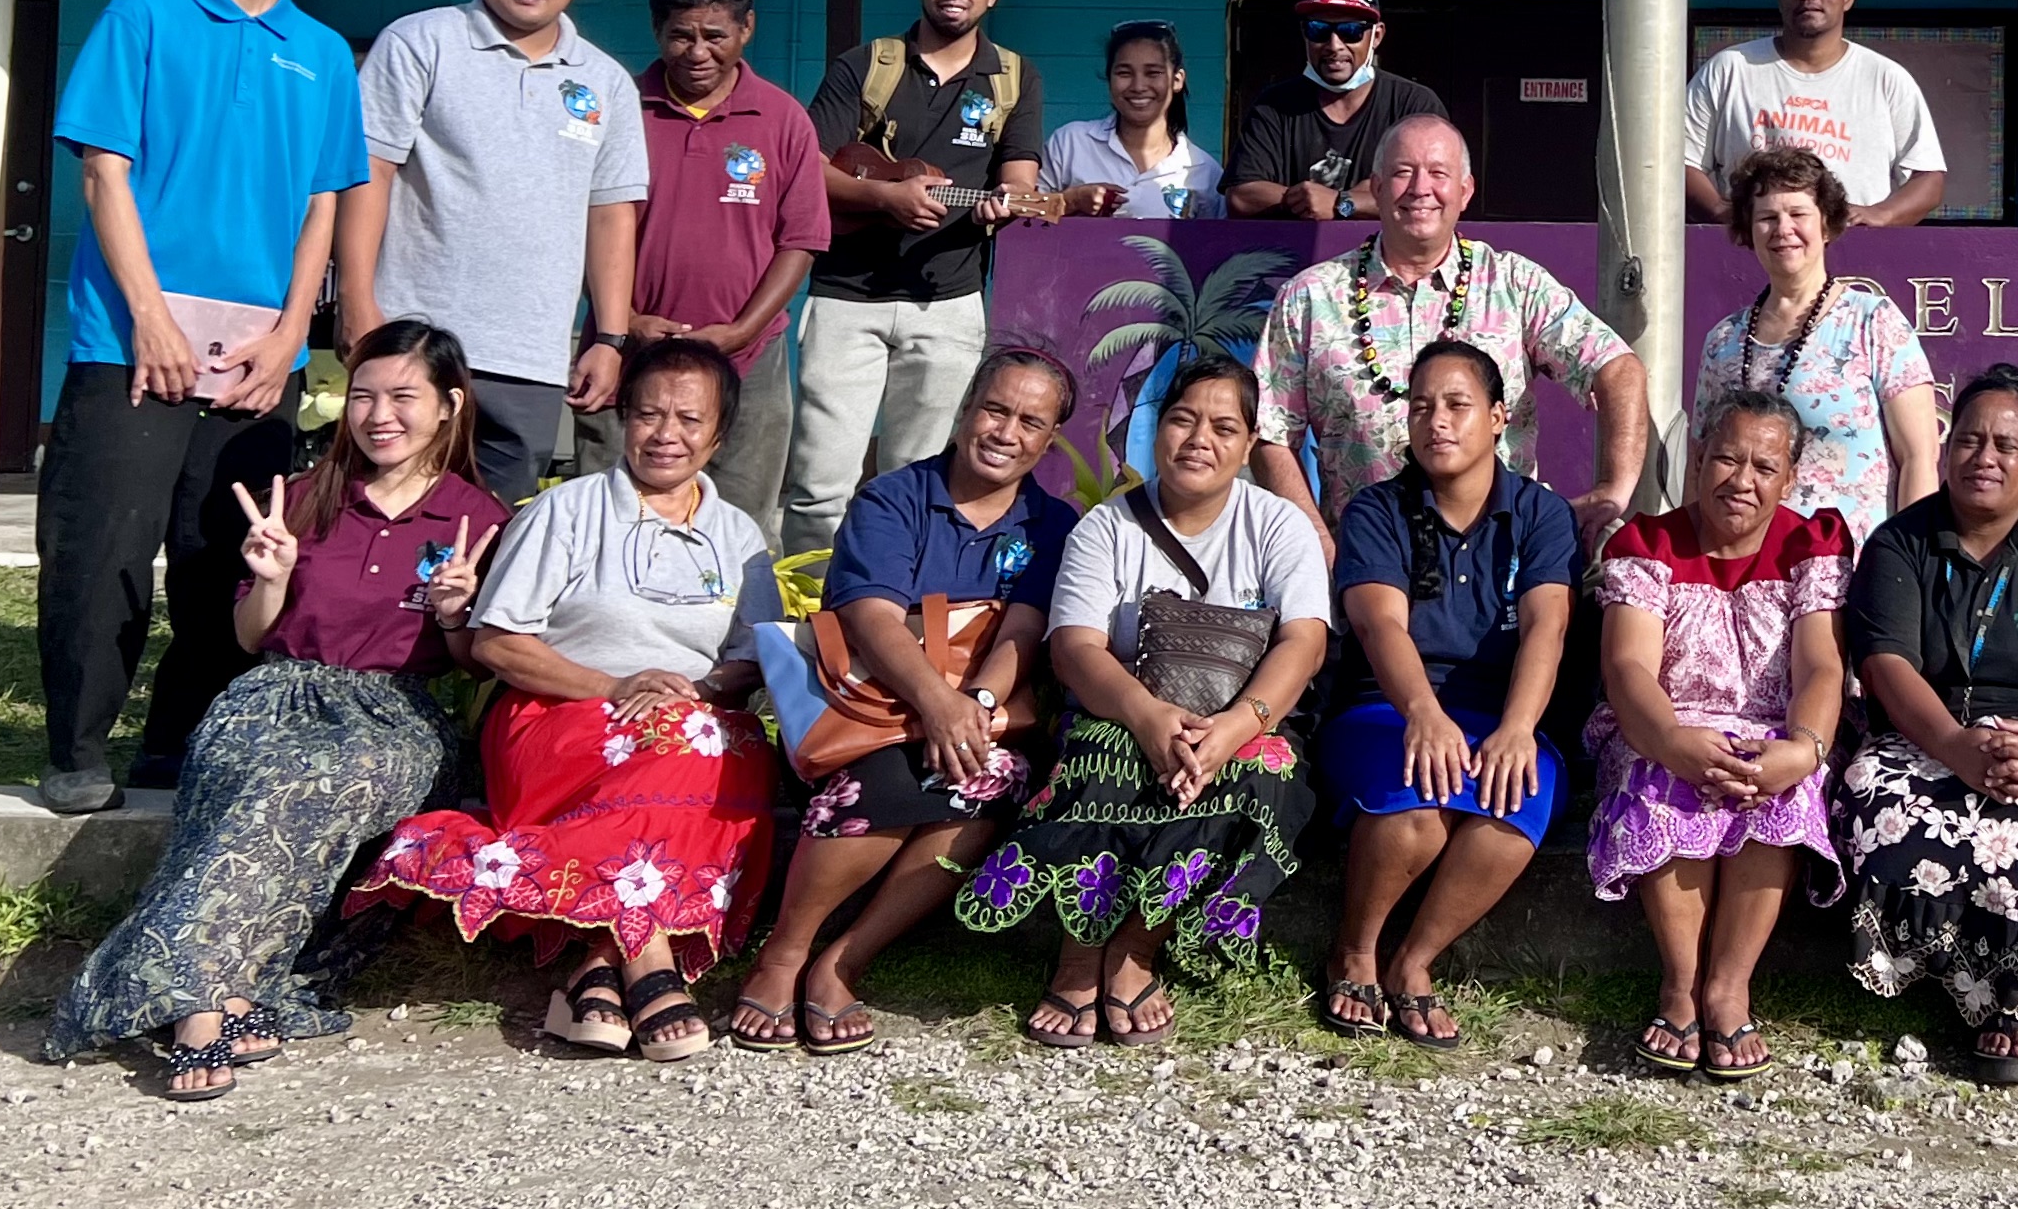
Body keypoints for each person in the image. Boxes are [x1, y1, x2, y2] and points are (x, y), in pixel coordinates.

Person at [45, 321, 502, 1098]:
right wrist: (272, 578)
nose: (378, 415)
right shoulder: (307, 494)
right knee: (263, 774)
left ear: (449, 405)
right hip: (273, 695)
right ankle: (215, 998)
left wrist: (457, 615)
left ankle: (185, 992)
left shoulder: (479, 519)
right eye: (362, 396)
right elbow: (252, 638)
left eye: (403, 396)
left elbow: (467, 666)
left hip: (392, 716)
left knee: (308, 780)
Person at [37, 0, 369, 813]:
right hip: (130, 341)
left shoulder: (322, 55)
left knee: (227, 555)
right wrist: (148, 317)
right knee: (101, 549)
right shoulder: (138, 20)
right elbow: (106, 172)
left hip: (256, 354)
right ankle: (78, 749)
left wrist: (292, 334)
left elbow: (325, 205)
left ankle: (183, 745)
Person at [353, 337, 782, 1064]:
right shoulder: (570, 511)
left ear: (719, 433)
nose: (666, 435)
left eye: (688, 419)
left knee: (722, 745)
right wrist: (619, 686)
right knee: (695, 746)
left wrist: (695, 690)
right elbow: (496, 642)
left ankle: (593, 966)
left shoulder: (736, 536)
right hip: (560, 717)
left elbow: (753, 655)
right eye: (648, 414)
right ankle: (650, 961)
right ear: (622, 418)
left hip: (685, 724)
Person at [955, 356, 1331, 1046]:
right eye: (1183, 420)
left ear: (1250, 444)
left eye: (1224, 427)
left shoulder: (1279, 525)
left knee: (1261, 775)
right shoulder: (1108, 526)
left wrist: (1232, 729)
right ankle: (1076, 955)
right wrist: (1148, 716)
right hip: (1120, 706)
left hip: (1244, 715)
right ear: (1156, 428)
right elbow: (1074, 649)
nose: (1200, 440)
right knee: (1103, 764)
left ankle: (1133, 948)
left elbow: (1304, 643)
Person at [728, 348, 1081, 1056]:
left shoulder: (1052, 523)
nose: (1006, 431)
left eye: (1030, 421)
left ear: (1049, 439)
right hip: (872, 710)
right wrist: (937, 704)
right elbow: (869, 614)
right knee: (878, 785)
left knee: (988, 782)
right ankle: (785, 954)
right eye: (995, 409)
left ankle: (843, 961)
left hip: (979, 715)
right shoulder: (894, 497)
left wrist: (974, 704)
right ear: (964, 409)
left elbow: (1024, 626)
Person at [1837, 364, 2018, 1094]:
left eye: (2006, 445)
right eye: (1969, 440)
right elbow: (1886, 665)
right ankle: (1993, 994)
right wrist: (1953, 747)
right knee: (1883, 804)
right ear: (1944, 451)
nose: (1985, 457)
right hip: (1930, 734)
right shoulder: (1899, 545)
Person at [338, 0, 646, 504]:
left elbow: (610, 213)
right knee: (383, 517)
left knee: (490, 541)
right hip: (411, 343)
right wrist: (357, 301)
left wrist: (609, 338)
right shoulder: (420, 42)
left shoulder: (606, 81)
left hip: (529, 355)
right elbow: (369, 173)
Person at [1315, 342, 1579, 1050]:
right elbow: (1378, 622)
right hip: (1386, 708)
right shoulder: (1378, 510)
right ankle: (1357, 950)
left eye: (1458, 405)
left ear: (1499, 418)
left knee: (1512, 808)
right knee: (1417, 814)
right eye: (1422, 406)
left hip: (1500, 714)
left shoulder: (1540, 514)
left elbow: (1547, 629)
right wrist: (1422, 716)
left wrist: (1520, 727)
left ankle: (1415, 960)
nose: (1437, 422)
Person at [1585, 393, 1851, 1083]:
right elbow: (1629, 666)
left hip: (1774, 727)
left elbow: (1821, 664)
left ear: (1789, 478)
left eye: (1765, 465)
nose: (1743, 479)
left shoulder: (1810, 545)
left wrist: (1801, 748)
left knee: (1785, 796)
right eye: (1727, 458)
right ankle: (1679, 984)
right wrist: (1672, 739)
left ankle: (1728, 989)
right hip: (1665, 724)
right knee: (1665, 781)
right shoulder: (1648, 545)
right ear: (1698, 458)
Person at [1253, 116, 1649, 537]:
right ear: (1378, 188)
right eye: (1403, 171)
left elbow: (1619, 369)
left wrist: (1613, 490)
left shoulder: (1514, 284)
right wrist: (1321, 550)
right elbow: (1271, 436)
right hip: (1365, 567)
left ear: (1465, 191)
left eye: (1439, 173)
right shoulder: (1310, 297)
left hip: (1503, 562)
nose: (1421, 188)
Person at [790, 0, 1049, 554]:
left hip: (949, 303)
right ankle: (803, 613)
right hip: (847, 297)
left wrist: (1006, 208)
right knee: (821, 483)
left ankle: (898, 607)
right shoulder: (867, 65)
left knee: (923, 477)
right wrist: (884, 195)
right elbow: (809, 169)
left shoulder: (1014, 79)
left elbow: (1019, 179)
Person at [574, 0, 830, 544]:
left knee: (737, 527)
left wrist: (741, 330)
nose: (697, 52)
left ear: (747, 29)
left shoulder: (783, 119)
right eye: (680, 35)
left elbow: (802, 240)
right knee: (608, 524)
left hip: (749, 361)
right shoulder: (617, 109)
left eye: (715, 35)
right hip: (624, 356)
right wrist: (626, 323)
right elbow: (577, 229)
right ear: (657, 30)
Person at [1691, 145, 1942, 541]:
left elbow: (1919, 458)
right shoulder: (1723, 341)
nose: (1783, 229)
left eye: (1798, 214)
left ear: (1826, 225)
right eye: (1767, 217)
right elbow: (1701, 468)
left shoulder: (1874, 322)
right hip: (1743, 578)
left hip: (1853, 574)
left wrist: (1910, 572)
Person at [1683, 0, 1949, 230]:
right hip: (1752, 255)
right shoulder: (1730, 69)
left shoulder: (1886, 79)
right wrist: (1727, 216)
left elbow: (1929, 178)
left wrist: (1883, 214)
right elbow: (1679, 161)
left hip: (1856, 257)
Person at [1224, 0, 1449, 220]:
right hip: (1298, 258)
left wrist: (1341, 203)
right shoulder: (1274, 105)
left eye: (1351, 31)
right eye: (1318, 29)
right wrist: (1304, 199)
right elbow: (1241, 196)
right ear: (1304, 34)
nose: (1334, 45)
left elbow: (1435, 195)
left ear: (1376, 36)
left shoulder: (1415, 106)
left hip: (1388, 257)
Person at [1042, 19, 1223, 218]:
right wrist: (1071, 201)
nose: (1138, 86)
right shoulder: (1070, 143)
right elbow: (1020, 212)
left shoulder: (1205, 171)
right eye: (1124, 73)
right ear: (1109, 79)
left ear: (1177, 80)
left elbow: (1219, 244)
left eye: (1153, 73)